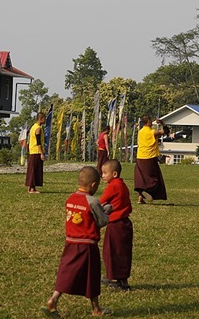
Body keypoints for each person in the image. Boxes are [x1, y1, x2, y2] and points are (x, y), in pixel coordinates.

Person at [42, 166, 111, 317]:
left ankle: (53, 299)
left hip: (71, 243)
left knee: (67, 272)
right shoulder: (92, 201)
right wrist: (108, 211)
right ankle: (96, 308)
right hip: (87, 245)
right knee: (91, 277)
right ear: (93, 185)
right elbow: (101, 221)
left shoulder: (70, 199)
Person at [99, 159, 133, 291]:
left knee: (111, 251)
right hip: (125, 223)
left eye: (104, 173)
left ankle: (113, 278)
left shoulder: (113, 186)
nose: (102, 176)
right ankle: (124, 280)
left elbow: (100, 202)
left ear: (114, 174)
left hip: (115, 224)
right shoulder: (123, 186)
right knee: (123, 252)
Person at [134, 114, 168, 204]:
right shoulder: (152, 132)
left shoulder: (140, 132)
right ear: (148, 122)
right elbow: (165, 131)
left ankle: (140, 199)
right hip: (149, 157)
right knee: (154, 178)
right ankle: (144, 191)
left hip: (140, 157)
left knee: (142, 178)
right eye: (150, 121)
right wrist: (162, 123)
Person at [25, 112, 46, 194]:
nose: (45, 120)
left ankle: (30, 187)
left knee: (32, 170)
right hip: (36, 151)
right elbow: (38, 142)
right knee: (35, 170)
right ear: (40, 119)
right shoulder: (38, 128)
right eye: (44, 118)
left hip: (32, 150)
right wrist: (42, 153)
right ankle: (32, 188)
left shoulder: (33, 127)